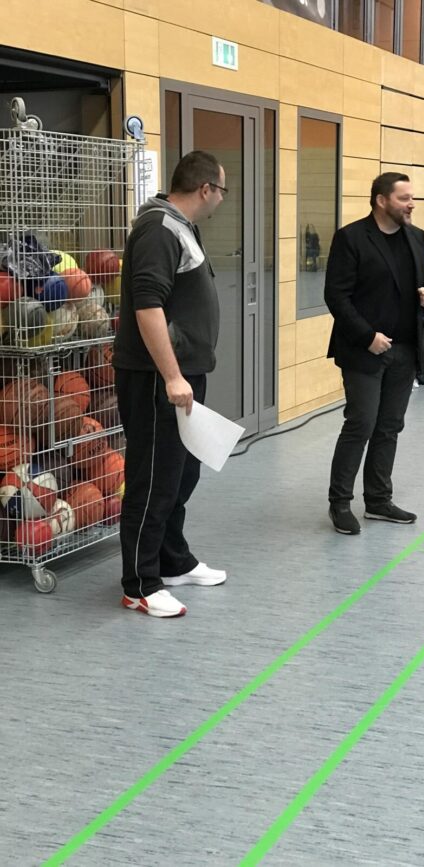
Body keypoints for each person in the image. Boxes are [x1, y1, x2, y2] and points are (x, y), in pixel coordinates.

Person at [113, 150, 227, 618]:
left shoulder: (182, 227)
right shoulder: (158, 229)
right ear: (206, 189)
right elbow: (148, 307)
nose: (222, 199)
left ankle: (172, 560)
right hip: (157, 379)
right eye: (222, 190)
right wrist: (173, 376)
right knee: (154, 478)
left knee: (183, 473)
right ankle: (139, 584)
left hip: (184, 375)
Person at [324, 172, 424, 535]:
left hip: (405, 349)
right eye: (404, 198)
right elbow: (336, 296)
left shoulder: (416, 237)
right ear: (381, 200)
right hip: (364, 350)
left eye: (411, 198)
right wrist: (367, 336)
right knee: (361, 423)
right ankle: (340, 503)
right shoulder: (351, 238)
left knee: (389, 426)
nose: (411, 204)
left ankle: (377, 500)